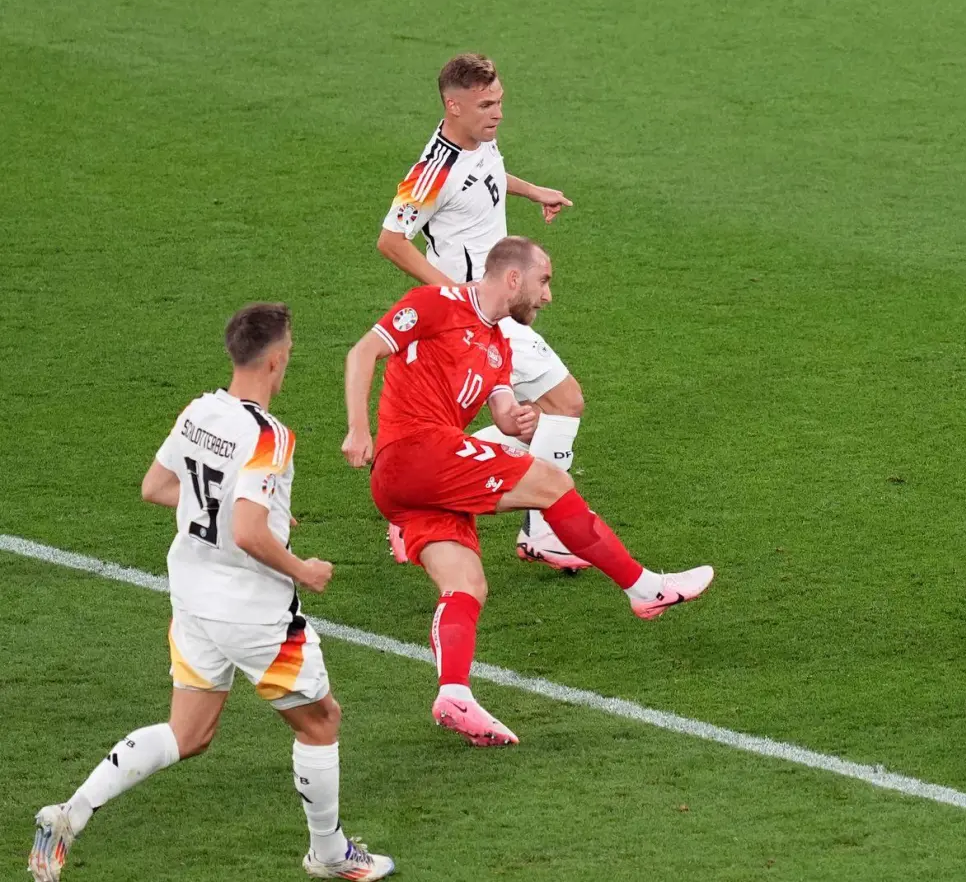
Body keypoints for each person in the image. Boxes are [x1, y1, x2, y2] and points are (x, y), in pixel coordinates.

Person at [29, 304, 393, 881]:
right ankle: (327, 853)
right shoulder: (269, 436)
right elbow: (247, 532)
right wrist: (302, 567)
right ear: (276, 360)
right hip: (253, 613)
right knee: (321, 721)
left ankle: (69, 812)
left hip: (193, 599)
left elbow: (158, 487)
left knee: (188, 732)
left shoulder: (199, 410)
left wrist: (257, 512)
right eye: (290, 352)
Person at [343, 236, 713, 746]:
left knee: (467, 586)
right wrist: (358, 429)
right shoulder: (434, 305)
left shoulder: (498, 346)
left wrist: (520, 420)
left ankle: (454, 693)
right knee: (551, 483)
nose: (548, 296)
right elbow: (363, 352)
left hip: (410, 485)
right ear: (513, 278)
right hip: (412, 452)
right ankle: (643, 588)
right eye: (544, 281)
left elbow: (502, 416)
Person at [377, 52, 589, 572]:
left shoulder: (481, 139)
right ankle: (541, 531)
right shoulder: (429, 172)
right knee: (563, 404)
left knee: (545, 414)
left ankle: (422, 491)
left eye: (500, 102)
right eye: (486, 105)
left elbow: (488, 173)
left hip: (493, 310)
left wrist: (531, 188)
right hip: (473, 314)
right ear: (453, 105)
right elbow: (390, 240)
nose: (497, 114)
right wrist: (454, 297)